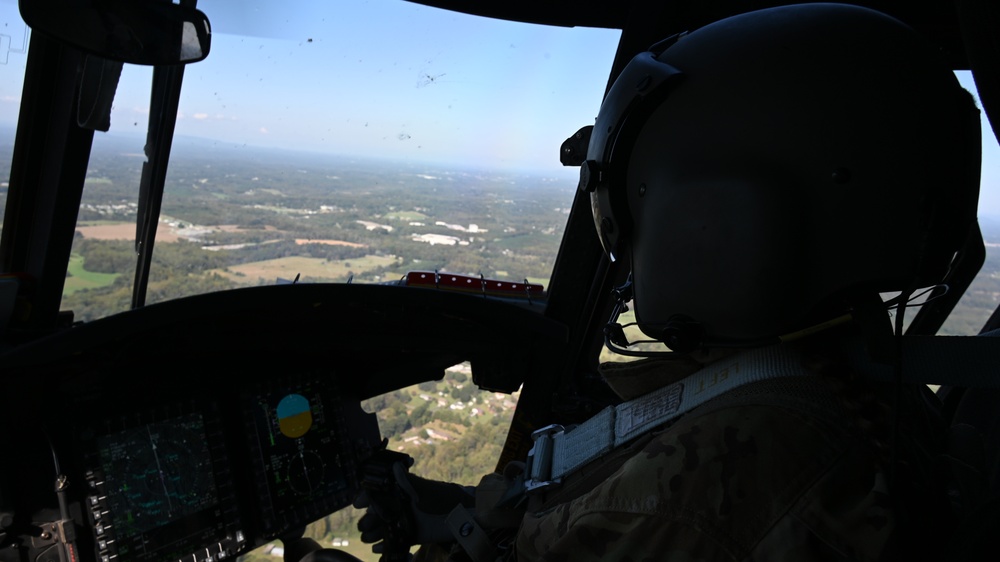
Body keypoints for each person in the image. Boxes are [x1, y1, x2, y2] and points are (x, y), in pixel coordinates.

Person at [356, 3, 982, 560]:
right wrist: (463, 517)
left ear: (713, 208)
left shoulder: (712, 489)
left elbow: (663, 516)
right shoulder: (856, 385)